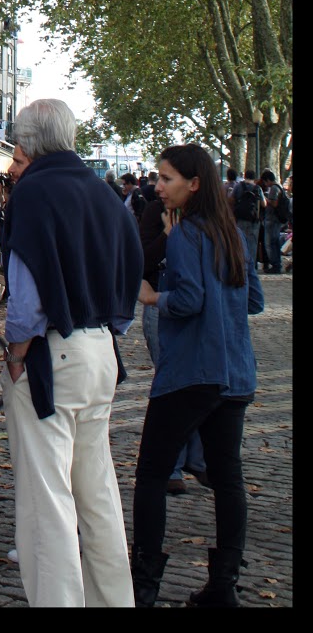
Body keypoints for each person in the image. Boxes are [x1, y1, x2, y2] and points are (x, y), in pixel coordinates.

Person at [2, 98, 143, 608]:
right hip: (100, 346)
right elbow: (132, 268)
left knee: (48, 500)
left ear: (27, 143)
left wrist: (16, 354)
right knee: (97, 492)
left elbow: (27, 295)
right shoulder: (104, 192)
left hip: (53, 352)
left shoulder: (34, 192)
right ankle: (113, 599)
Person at [131, 144, 264, 607]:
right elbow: (253, 300)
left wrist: (153, 297)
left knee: (151, 473)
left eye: (166, 179)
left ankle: (143, 585)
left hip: (192, 371)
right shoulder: (233, 235)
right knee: (227, 477)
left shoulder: (186, 234)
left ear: (194, 184)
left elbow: (189, 300)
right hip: (234, 371)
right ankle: (223, 587)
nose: (158, 186)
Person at [138, 190, 207, 494]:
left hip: (196, 310)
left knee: (194, 385)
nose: (162, 188)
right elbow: (142, 262)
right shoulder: (155, 212)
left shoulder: (206, 219)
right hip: (160, 306)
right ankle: (175, 466)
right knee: (171, 385)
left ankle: (195, 459)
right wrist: (168, 234)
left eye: (168, 179)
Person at [231, 168, 266, 272]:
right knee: (252, 244)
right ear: (254, 178)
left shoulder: (238, 186)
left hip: (240, 218)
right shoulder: (258, 188)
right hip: (253, 220)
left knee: (240, 242)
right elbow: (264, 204)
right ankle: (251, 268)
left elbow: (231, 200)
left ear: (245, 176)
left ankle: (241, 265)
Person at [260, 170, 289, 275]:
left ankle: (275, 265)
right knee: (275, 243)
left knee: (270, 243)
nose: (265, 184)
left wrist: (265, 198)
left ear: (268, 180)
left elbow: (274, 203)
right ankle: (277, 264)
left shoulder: (273, 188)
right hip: (277, 220)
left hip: (272, 220)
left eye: (265, 182)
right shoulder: (279, 186)